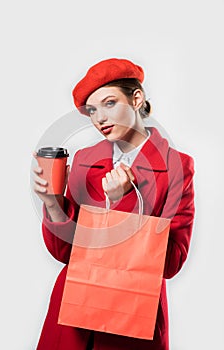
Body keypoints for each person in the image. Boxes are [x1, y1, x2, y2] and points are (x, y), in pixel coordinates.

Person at [33, 58, 195, 350]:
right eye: (92, 110)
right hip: (71, 316)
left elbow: (171, 263)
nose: (100, 119)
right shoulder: (84, 159)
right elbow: (65, 252)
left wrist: (125, 200)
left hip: (132, 321)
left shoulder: (177, 167)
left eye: (109, 103)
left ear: (136, 98)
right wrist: (53, 203)